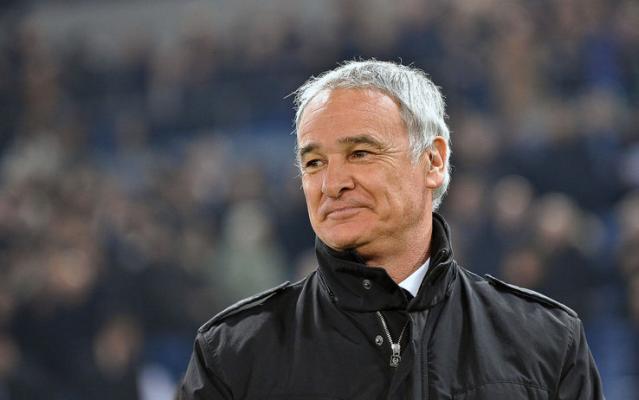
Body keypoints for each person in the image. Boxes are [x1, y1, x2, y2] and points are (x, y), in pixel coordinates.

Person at [178, 60, 604, 399]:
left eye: (360, 153)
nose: (331, 183)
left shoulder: (546, 340)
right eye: (314, 162)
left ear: (433, 162)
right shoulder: (233, 353)